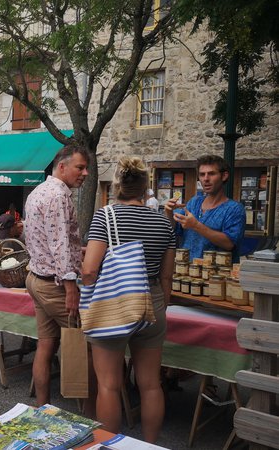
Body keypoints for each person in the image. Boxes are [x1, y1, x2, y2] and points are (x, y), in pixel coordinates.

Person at [82, 157, 176, 442]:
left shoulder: (105, 216)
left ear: (118, 185)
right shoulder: (164, 223)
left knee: (108, 384)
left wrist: (88, 292)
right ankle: (149, 445)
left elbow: (89, 269)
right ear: (145, 187)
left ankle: (110, 445)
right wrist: (161, 305)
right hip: (153, 303)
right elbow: (166, 276)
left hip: (114, 304)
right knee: (150, 385)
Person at [24, 144, 96, 413]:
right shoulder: (58, 194)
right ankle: (89, 414)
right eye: (80, 167)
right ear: (62, 166)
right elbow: (60, 244)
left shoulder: (39, 191)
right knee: (82, 345)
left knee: (45, 345)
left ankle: (43, 409)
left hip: (37, 278)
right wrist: (71, 288)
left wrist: (81, 249)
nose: (85, 173)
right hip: (53, 284)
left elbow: (49, 239)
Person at [166, 155, 245, 263]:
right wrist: (169, 213)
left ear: (224, 176)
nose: (206, 179)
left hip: (217, 275)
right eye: (202, 174)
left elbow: (229, 243)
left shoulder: (234, 209)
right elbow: (174, 229)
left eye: (211, 174)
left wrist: (196, 225)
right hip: (186, 272)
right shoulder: (194, 202)